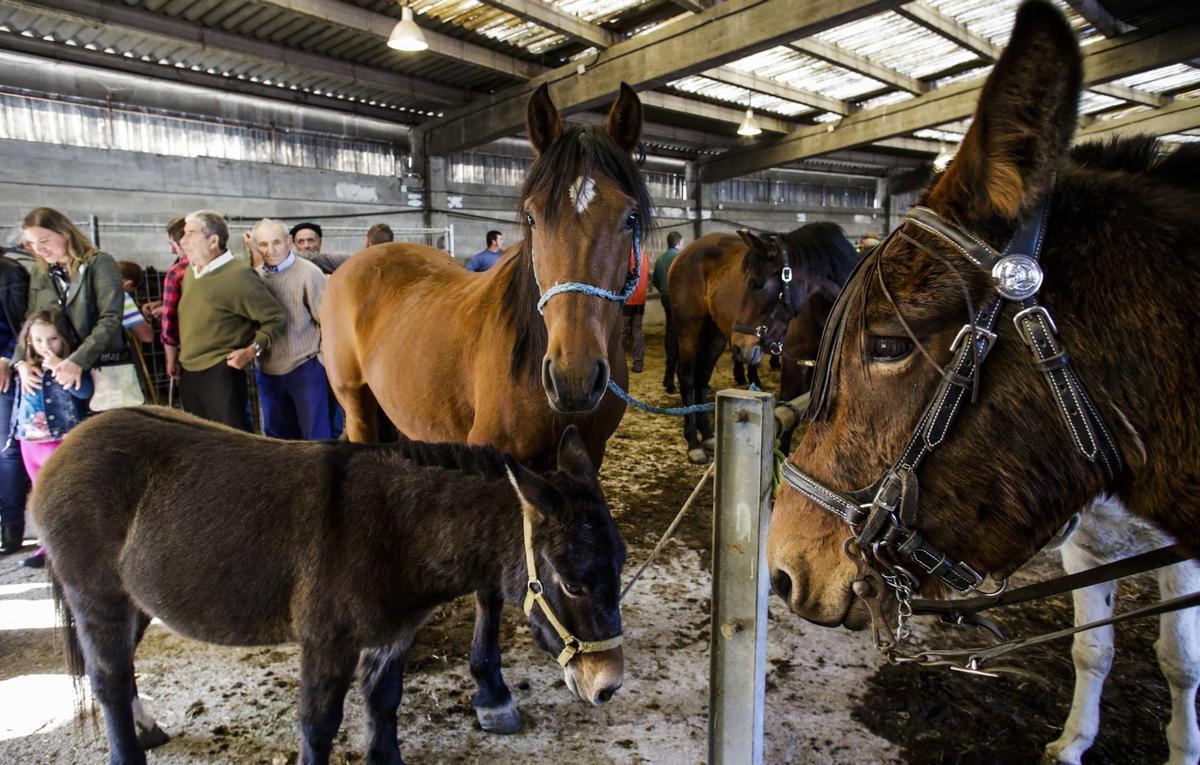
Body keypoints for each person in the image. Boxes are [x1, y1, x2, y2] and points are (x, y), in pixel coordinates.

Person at [177, 210, 285, 431]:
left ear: (213, 241)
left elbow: (276, 318)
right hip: (189, 370)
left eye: (190, 234)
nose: (183, 241)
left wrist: (250, 350)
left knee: (233, 442)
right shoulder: (191, 273)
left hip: (221, 371)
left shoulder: (239, 276)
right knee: (196, 441)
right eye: (183, 234)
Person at [10, 309, 93, 568]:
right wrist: (21, 366)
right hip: (30, 441)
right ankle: (46, 546)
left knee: (65, 495)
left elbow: (85, 392)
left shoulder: (70, 364)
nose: (46, 346)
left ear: (64, 338)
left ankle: (73, 547)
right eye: (38, 341)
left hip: (61, 439)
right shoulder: (25, 365)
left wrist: (61, 368)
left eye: (53, 339)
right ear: (29, 341)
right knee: (39, 495)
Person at [14, 207, 125, 399]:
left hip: (99, 366)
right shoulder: (40, 272)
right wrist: (21, 361)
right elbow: (31, 320)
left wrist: (78, 360)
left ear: (65, 233)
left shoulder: (99, 263)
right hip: (57, 366)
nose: (38, 250)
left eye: (44, 241)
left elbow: (110, 318)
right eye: (31, 244)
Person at [251, 219, 332, 440]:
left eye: (276, 242)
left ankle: (319, 475)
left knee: (315, 436)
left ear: (288, 242)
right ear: (256, 247)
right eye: (264, 244)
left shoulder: (309, 274)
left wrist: (322, 360)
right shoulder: (255, 277)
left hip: (305, 367)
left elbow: (327, 321)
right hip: (267, 369)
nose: (271, 250)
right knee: (277, 437)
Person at [0, 253, 28, 556]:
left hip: (5, 371)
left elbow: (25, 324)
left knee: (6, 450)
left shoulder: (10, 272)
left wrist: (9, 358)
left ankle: (10, 527)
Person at [157, 217, 189, 383]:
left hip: (189, 353)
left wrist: (171, 359)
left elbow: (170, 317)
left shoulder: (177, 272)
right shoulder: (226, 265)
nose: (172, 251)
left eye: (173, 245)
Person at [651, 231, 683, 393]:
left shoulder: (660, 259)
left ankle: (668, 376)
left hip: (665, 297)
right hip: (679, 299)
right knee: (679, 335)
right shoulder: (681, 257)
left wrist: (663, 290)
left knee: (670, 331)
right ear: (679, 242)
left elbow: (654, 280)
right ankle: (675, 374)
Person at [622, 244, 651, 374]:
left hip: (627, 300)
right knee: (637, 331)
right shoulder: (644, 255)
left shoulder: (625, 255)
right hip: (640, 300)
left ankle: (618, 363)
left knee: (621, 332)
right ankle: (638, 364)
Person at [116, 261, 155, 345]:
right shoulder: (121, 296)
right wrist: (148, 320)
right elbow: (147, 336)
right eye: (131, 291)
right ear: (128, 284)